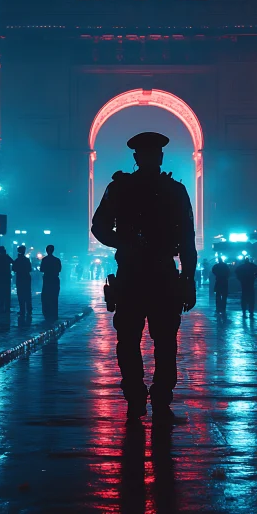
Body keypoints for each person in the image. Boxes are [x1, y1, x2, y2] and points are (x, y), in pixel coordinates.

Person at [91, 131, 197, 421]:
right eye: (151, 154)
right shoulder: (175, 190)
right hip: (163, 274)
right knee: (164, 344)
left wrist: (123, 242)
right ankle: (160, 403)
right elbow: (187, 239)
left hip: (131, 274)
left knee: (128, 341)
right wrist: (188, 279)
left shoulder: (120, 189)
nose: (152, 158)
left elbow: (98, 227)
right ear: (155, 157)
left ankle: (136, 400)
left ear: (137, 157)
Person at [40, 244, 61, 320]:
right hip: (54, 279)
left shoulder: (44, 260)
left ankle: (46, 312)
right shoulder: (57, 260)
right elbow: (59, 269)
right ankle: (54, 313)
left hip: (47, 279)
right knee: (54, 297)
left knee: (46, 297)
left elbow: (41, 269)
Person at [12, 245, 32, 319]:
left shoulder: (17, 260)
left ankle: (22, 310)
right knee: (28, 295)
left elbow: (13, 268)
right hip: (26, 278)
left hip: (20, 278)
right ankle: (29, 309)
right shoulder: (27, 260)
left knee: (20, 295)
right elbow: (30, 269)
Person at [0, 246, 13, 314]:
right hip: (6, 277)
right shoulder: (6, 257)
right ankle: (7, 307)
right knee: (7, 293)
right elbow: (12, 262)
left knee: (0, 293)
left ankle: (1, 306)